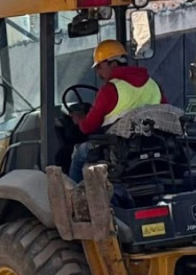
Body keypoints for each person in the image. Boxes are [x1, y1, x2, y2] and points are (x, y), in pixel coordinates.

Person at [68, 40, 167, 183]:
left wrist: (80, 120)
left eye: (100, 67)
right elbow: (165, 112)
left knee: (79, 152)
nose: (98, 73)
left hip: (118, 153)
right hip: (153, 148)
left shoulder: (109, 90)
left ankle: (73, 193)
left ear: (113, 64)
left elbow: (88, 127)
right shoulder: (153, 85)